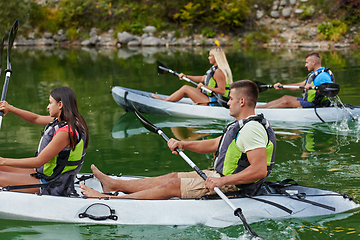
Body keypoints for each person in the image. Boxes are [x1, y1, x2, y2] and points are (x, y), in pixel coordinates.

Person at [80, 80, 276, 200]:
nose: (228, 102)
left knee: (171, 187)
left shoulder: (252, 129)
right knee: (172, 177)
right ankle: (115, 185)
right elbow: (216, 144)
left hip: (237, 186)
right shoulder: (240, 126)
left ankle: (109, 199)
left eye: (231, 98)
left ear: (242, 101)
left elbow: (258, 170)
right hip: (221, 175)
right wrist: (184, 144)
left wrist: (222, 181)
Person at [0, 86, 89, 196]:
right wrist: (11, 109)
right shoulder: (66, 120)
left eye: (50, 103)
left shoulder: (65, 133)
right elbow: (36, 118)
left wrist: (3, 160)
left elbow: (38, 162)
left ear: (60, 104)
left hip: (52, 183)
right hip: (46, 174)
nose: (48, 107)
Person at [152, 46, 233, 105]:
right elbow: (202, 78)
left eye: (210, 56)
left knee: (185, 88)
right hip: (209, 98)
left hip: (213, 101)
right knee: (190, 88)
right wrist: (186, 76)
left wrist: (204, 87)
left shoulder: (219, 72)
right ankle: (166, 100)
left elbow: (222, 91)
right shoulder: (214, 69)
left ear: (216, 57)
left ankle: (164, 102)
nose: (208, 58)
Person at [257, 51, 335, 108]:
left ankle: (263, 112)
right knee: (285, 97)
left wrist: (313, 88)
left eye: (307, 62)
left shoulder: (323, 76)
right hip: (308, 101)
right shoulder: (315, 74)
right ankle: (260, 107)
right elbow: (301, 85)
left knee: (286, 102)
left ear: (313, 62)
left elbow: (329, 90)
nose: (305, 65)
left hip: (316, 104)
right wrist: (282, 86)